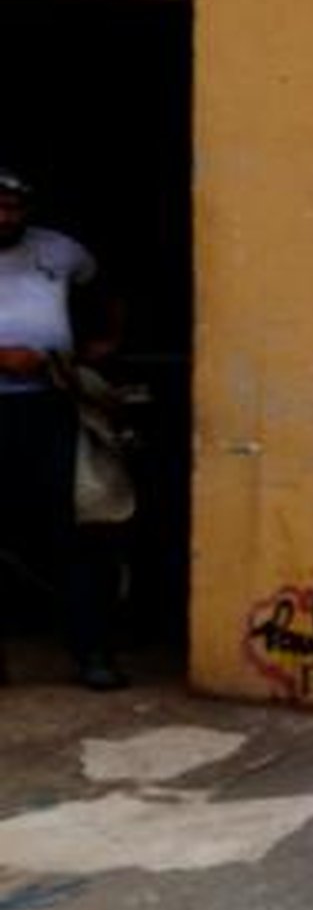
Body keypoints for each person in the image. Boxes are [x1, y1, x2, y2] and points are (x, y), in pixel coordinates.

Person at [0, 165, 127, 688]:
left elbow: (109, 290)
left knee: (74, 528)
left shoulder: (60, 251)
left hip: (53, 406)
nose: (4, 215)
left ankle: (91, 652)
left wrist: (106, 340)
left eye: (13, 206)